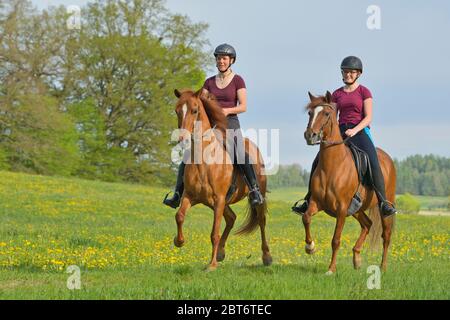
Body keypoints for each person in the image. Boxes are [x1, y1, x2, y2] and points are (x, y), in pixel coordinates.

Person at [292, 56, 397, 217]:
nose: (348, 74)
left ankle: (383, 202)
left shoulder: (364, 92)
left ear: (358, 74)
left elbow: (368, 117)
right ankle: (308, 199)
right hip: (340, 132)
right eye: (345, 71)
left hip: (360, 132)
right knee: (318, 160)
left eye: (351, 72)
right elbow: (330, 116)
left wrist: (355, 130)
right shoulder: (337, 94)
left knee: (372, 160)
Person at [163, 43, 264, 209]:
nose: (221, 61)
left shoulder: (238, 80)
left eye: (224, 58)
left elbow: (243, 106)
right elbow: (199, 104)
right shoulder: (209, 82)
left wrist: (226, 111)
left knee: (239, 152)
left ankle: (254, 190)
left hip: (230, 123)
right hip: (211, 125)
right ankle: (177, 194)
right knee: (188, 155)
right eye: (218, 58)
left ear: (231, 61)